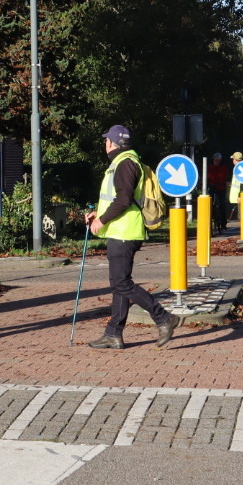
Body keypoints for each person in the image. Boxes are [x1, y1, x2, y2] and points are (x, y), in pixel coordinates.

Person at [85, 124, 180, 349]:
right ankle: (113, 334)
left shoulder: (125, 163)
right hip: (123, 230)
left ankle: (163, 318)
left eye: (106, 140)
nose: (105, 144)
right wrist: (98, 213)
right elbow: (120, 198)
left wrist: (102, 220)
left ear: (112, 143)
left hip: (125, 231)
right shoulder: (126, 162)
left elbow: (124, 199)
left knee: (121, 283)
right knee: (120, 284)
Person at [207, 152, 233, 234]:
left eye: (218, 161)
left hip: (221, 187)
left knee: (222, 205)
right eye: (215, 160)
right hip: (212, 187)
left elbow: (227, 175)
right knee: (210, 204)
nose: (217, 162)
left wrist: (227, 181)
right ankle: (210, 221)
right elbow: (206, 176)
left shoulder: (224, 166)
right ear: (213, 160)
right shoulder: (209, 166)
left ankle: (223, 223)